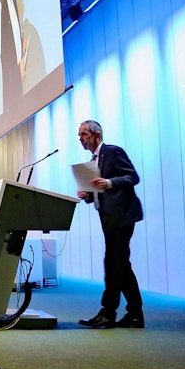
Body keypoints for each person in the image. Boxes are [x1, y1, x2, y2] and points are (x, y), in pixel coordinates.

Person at [76, 120, 145, 329]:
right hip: (107, 216)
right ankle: (131, 314)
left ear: (97, 135)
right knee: (119, 264)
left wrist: (109, 182)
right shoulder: (93, 161)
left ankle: (110, 312)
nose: (81, 139)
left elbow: (133, 177)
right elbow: (98, 190)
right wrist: (87, 194)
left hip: (122, 216)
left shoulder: (113, 152)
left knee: (115, 263)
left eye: (84, 134)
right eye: (79, 135)